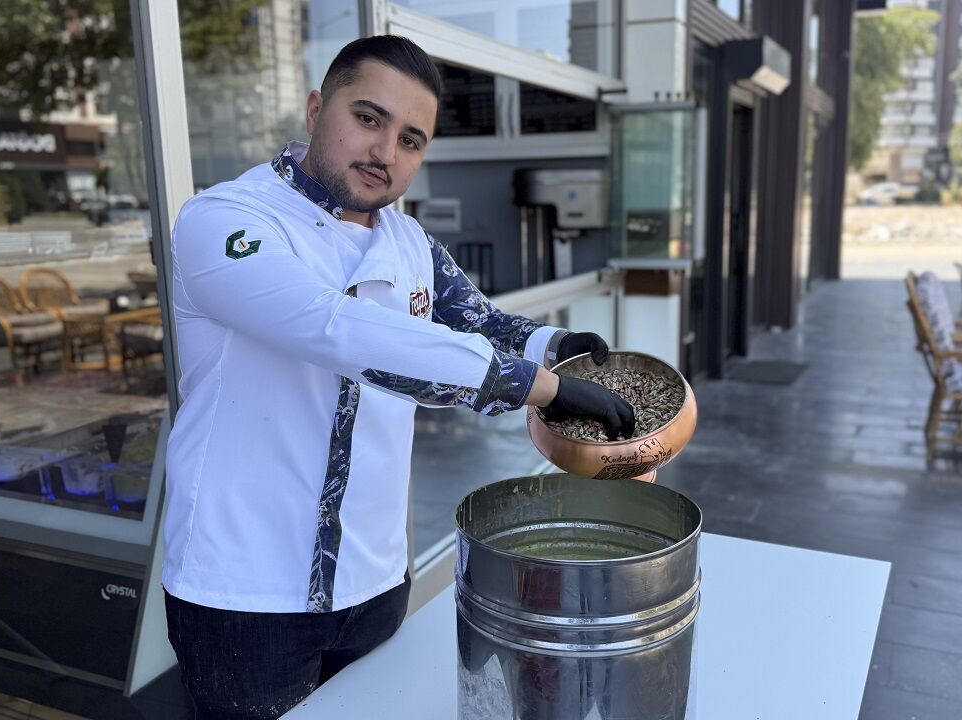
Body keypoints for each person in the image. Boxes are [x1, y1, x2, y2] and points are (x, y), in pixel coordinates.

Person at [161, 35, 635, 719]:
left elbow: (478, 320)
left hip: (376, 580)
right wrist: (540, 387)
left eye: (411, 140)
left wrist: (556, 342)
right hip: (243, 591)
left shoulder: (409, 241)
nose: (385, 152)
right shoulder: (226, 222)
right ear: (318, 106)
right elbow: (337, 330)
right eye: (368, 118)